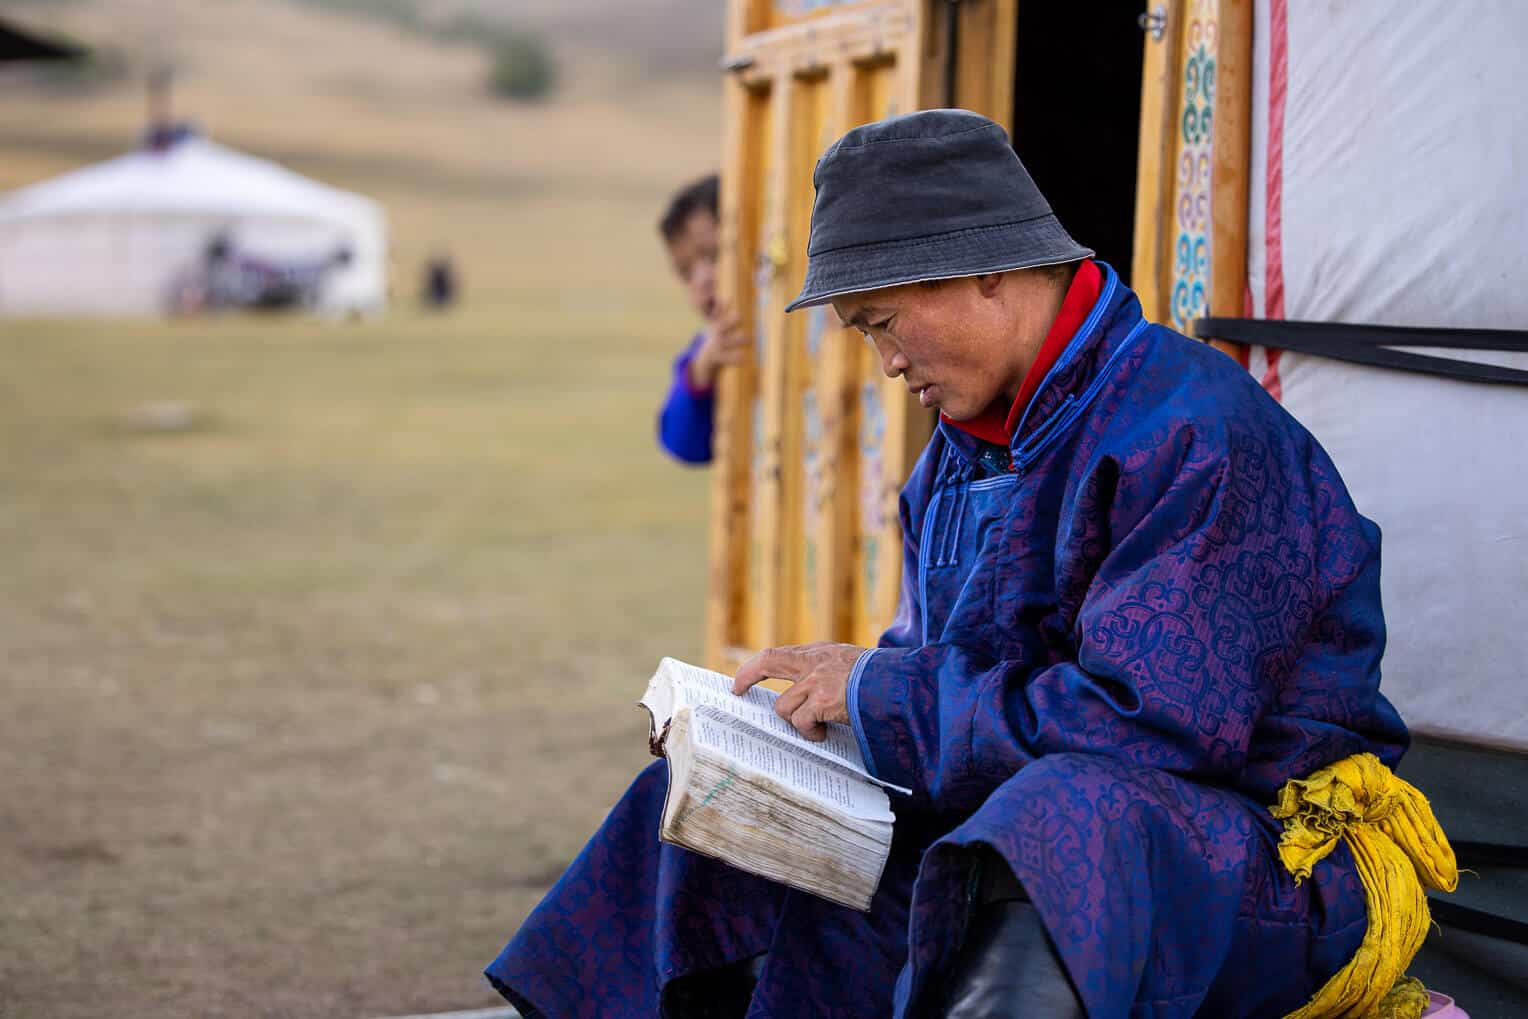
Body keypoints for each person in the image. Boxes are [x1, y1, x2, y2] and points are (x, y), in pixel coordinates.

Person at [486, 110, 1454, 1018]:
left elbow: (1149, 731)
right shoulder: (958, 453)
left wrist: (876, 690)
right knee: (703, 810)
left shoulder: (1194, 433)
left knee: (1060, 813)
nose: (885, 362)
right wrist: (790, 739)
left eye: (880, 321)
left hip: (1255, 870)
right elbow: (941, 679)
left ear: (984, 272)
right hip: (1004, 839)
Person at [656, 174, 749, 464]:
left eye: (715, 255)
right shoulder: (712, 348)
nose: (702, 280)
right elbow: (682, 444)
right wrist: (702, 370)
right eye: (687, 273)